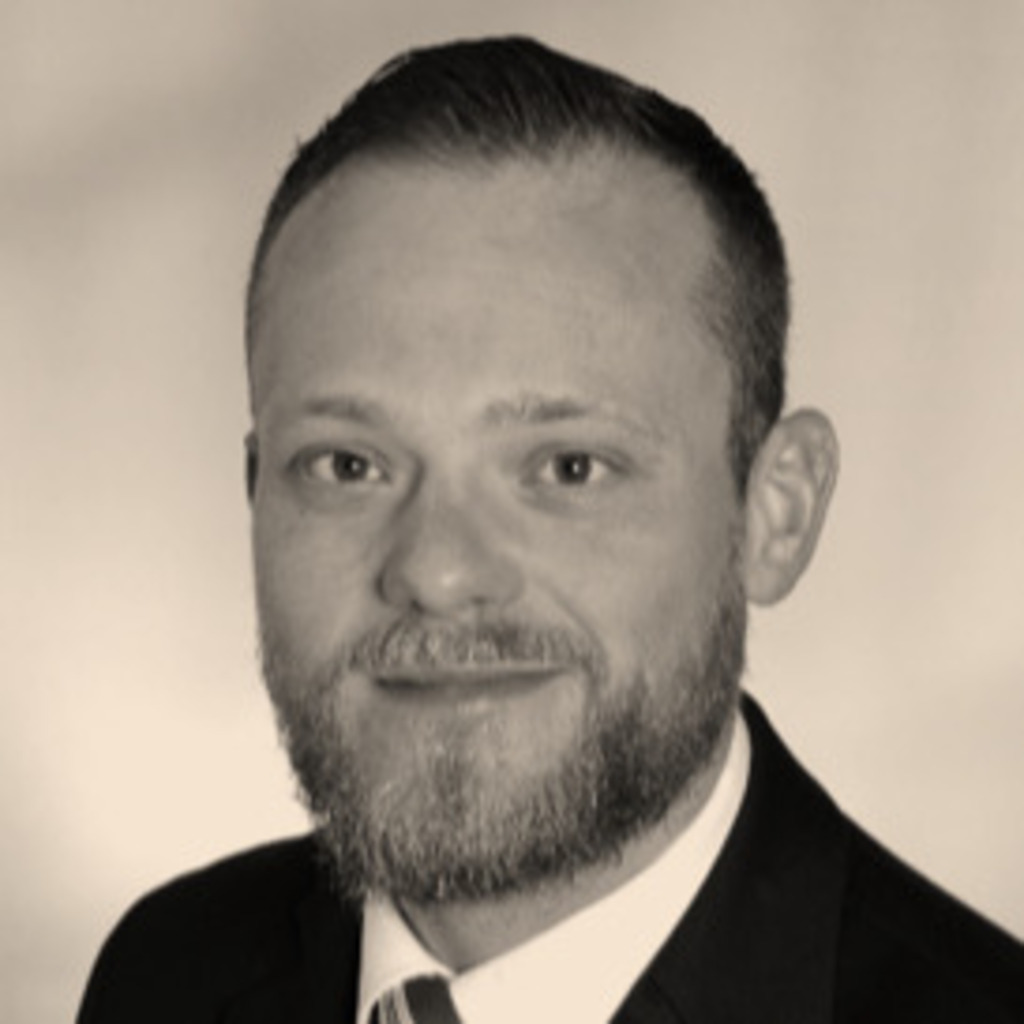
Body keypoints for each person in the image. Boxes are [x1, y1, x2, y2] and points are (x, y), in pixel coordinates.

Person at [77, 35, 1023, 1024]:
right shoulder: (169, 972)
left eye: (569, 467)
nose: (437, 572)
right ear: (255, 494)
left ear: (773, 514)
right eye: (348, 465)